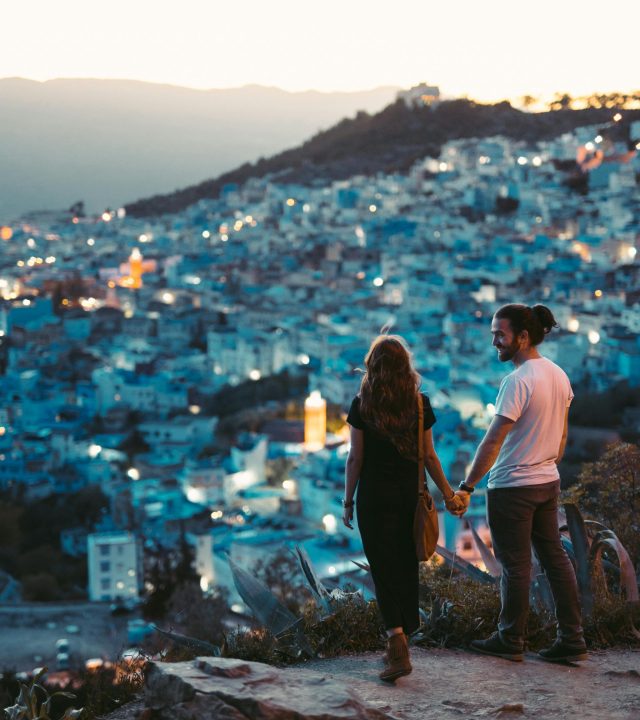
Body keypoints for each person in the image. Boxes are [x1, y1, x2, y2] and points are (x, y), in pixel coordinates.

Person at [455, 304, 587, 663]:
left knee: (515, 566)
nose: (494, 341)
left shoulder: (517, 380)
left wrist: (467, 486)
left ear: (523, 337)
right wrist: (543, 463)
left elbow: (493, 439)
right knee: (556, 560)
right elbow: (561, 440)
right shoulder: (559, 375)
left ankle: (511, 638)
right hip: (547, 481)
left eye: (500, 334)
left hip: (512, 485)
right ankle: (572, 638)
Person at [343, 335, 464, 682]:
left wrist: (348, 501)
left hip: (373, 500)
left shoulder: (362, 405)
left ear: (373, 367)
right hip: (409, 499)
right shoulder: (420, 404)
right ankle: (402, 638)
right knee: (406, 565)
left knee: (381, 569)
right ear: (404, 368)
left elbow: (355, 458)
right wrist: (448, 493)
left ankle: (395, 641)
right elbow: (428, 456)